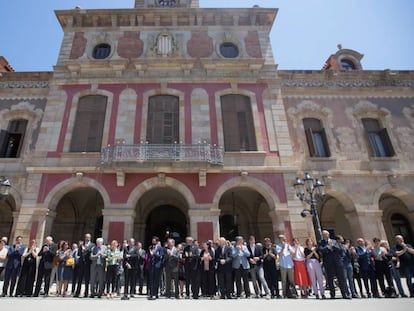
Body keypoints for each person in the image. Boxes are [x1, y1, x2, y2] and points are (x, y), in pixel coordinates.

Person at [318, 230, 350, 299]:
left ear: (328, 234)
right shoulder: (321, 242)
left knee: (341, 279)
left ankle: (344, 294)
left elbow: (340, 249)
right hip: (328, 263)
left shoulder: (334, 241)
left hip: (338, 262)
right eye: (323, 234)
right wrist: (328, 247)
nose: (324, 235)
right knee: (330, 279)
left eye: (326, 234)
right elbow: (320, 249)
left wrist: (333, 246)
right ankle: (332, 294)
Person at [74, 233, 95, 298]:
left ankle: (86, 293)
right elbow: (79, 253)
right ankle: (77, 292)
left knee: (87, 279)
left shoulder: (92, 245)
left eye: (88, 237)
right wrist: (82, 250)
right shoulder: (81, 244)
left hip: (88, 264)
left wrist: (86, 249)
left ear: (90, 238)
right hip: (81, 264)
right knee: (79, 279)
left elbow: (91, 252)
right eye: (86, 237)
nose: (87, 238)